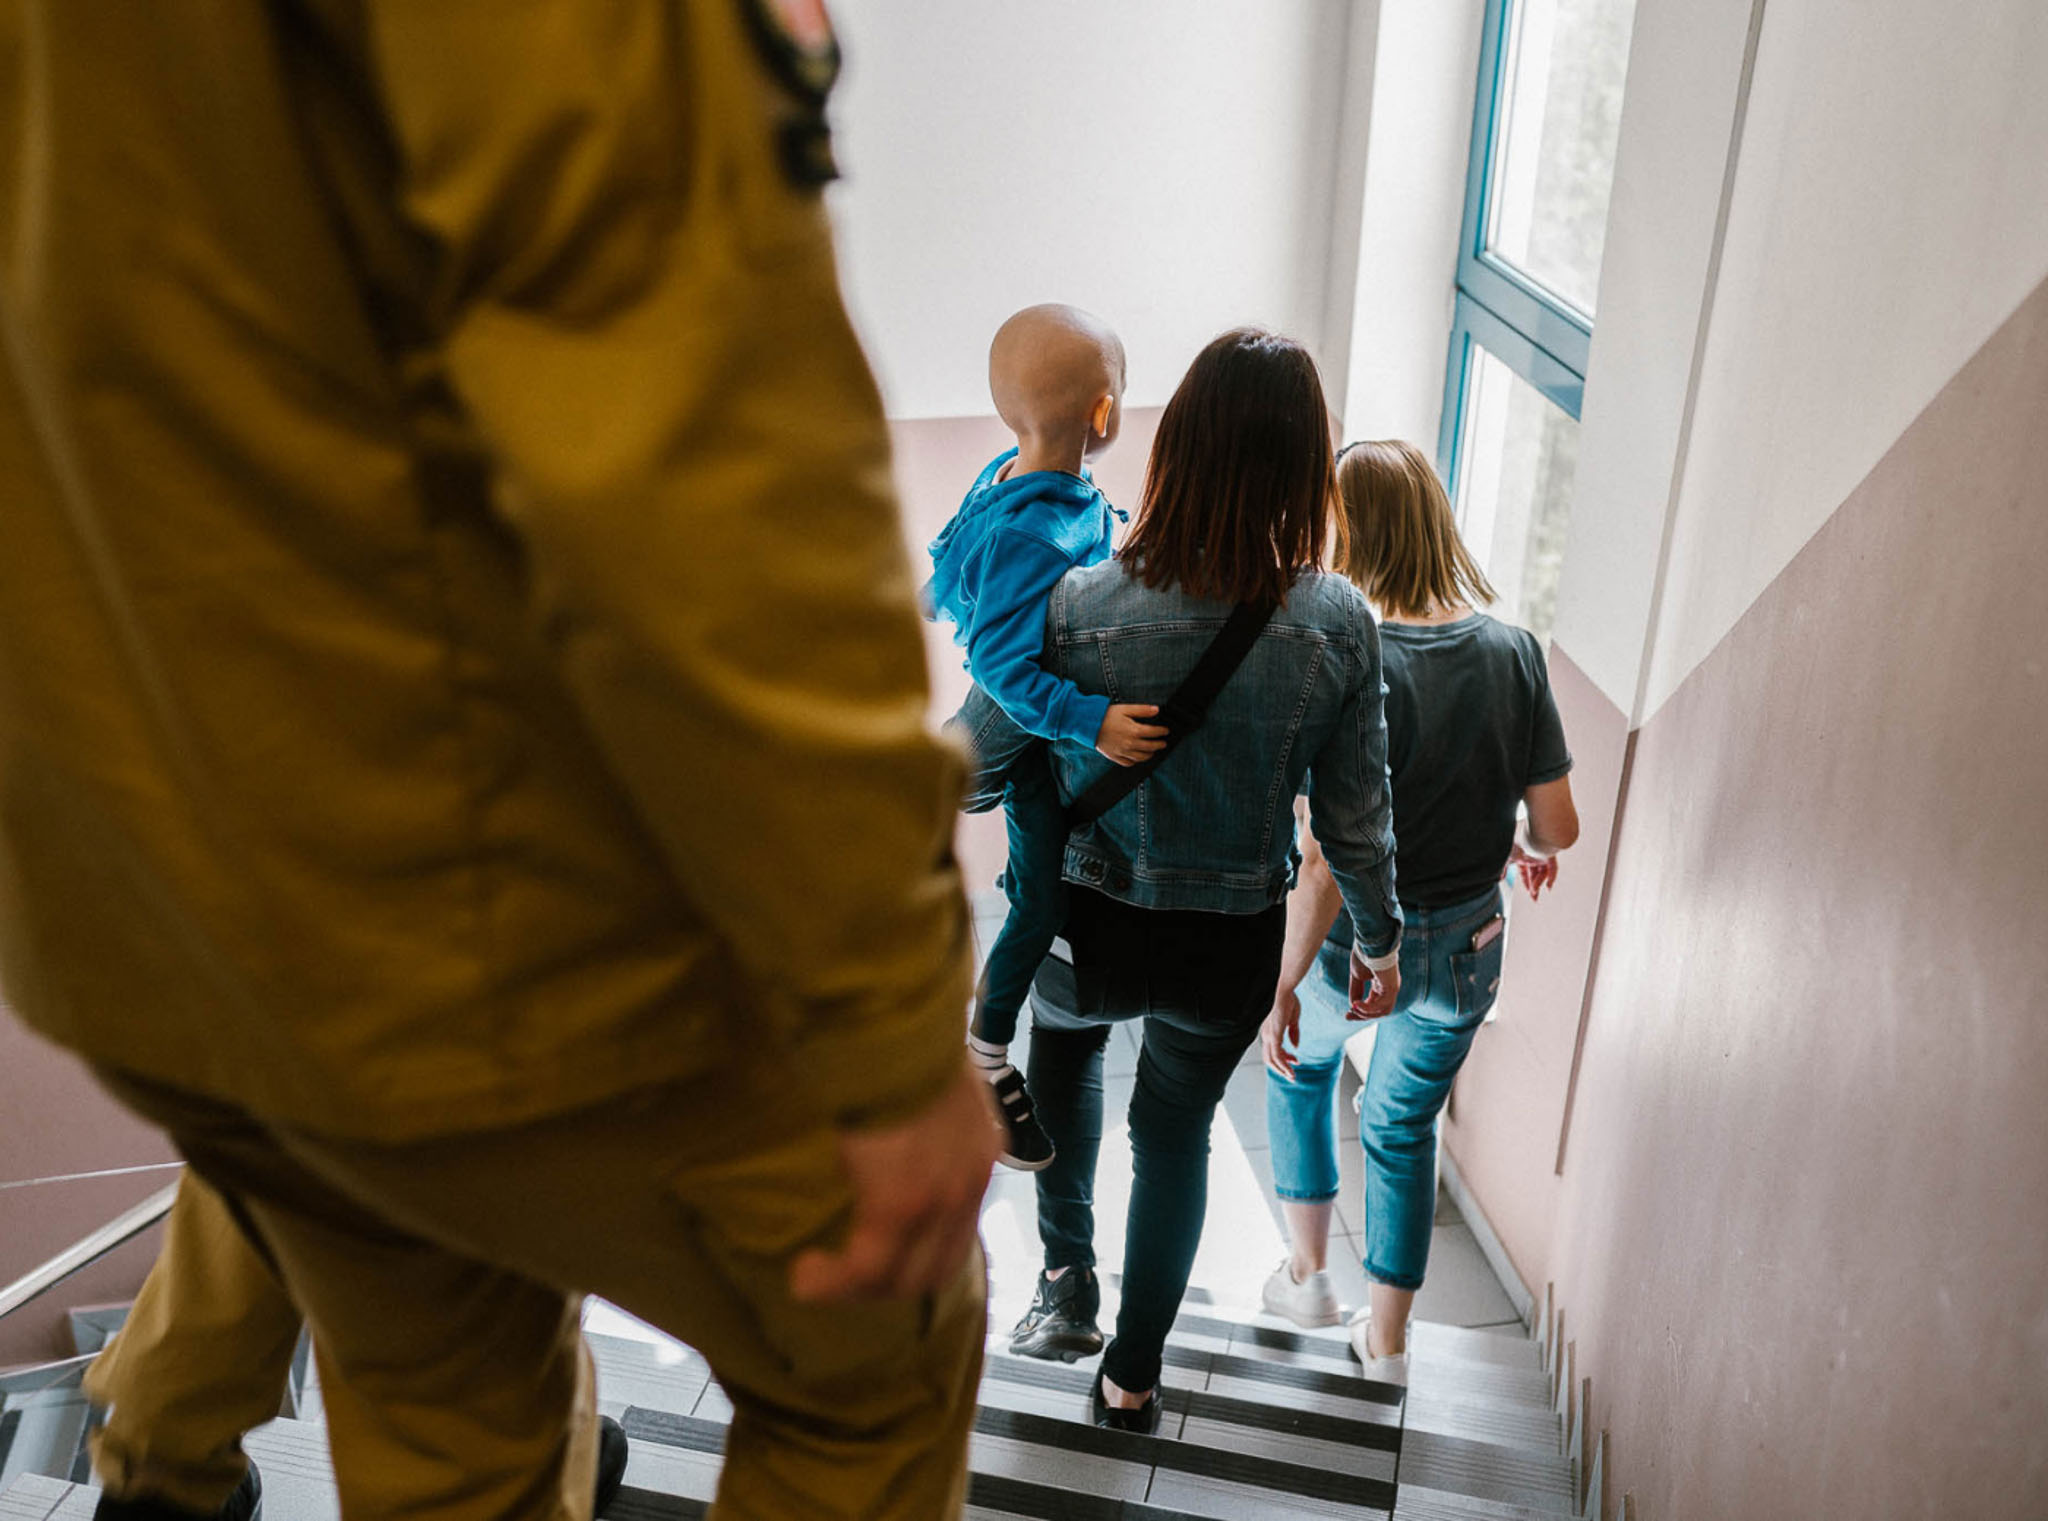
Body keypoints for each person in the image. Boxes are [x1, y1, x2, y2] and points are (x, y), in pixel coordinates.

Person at [0, 6, 998, 1520]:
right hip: (470, 918)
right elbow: (696, 465)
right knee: (879, 1357)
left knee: (445, 1424)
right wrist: (889, 1028)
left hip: (145, 896)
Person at [1001, 329, 1404, 1433]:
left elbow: (991, 758)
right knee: (1174, 1133)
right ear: (1303, 470)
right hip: (1225, 944)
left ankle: (1066, 1281)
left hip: (1084, 915)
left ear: (1174, 442)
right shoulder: (1335, 623)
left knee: (1065, 1055)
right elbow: (1355, 823)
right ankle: (1131, 1378)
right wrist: (1378, 943)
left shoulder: (1076, 600)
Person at [1258, 439, 1579, 1382]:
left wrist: (1283, 980)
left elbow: (1327, 857)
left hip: (1361, 945)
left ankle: (1308, 1276)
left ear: (1348, 536)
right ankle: (1390, 1344)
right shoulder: (1516, 652)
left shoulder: (1349, 663)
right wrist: (1511, 840)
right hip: (1470, 949)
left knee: (1298, 1069)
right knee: (1402, 1127)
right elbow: (1557, 827)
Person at [925, 303, 1168, 1171]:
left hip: (1007, 731)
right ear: (1103, 413)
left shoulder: (1017, 474)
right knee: (1038, 905)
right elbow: (1000, 662)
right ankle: (984, 1058)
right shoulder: (1037, 527)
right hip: (1020, 739)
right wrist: (1086, 720)